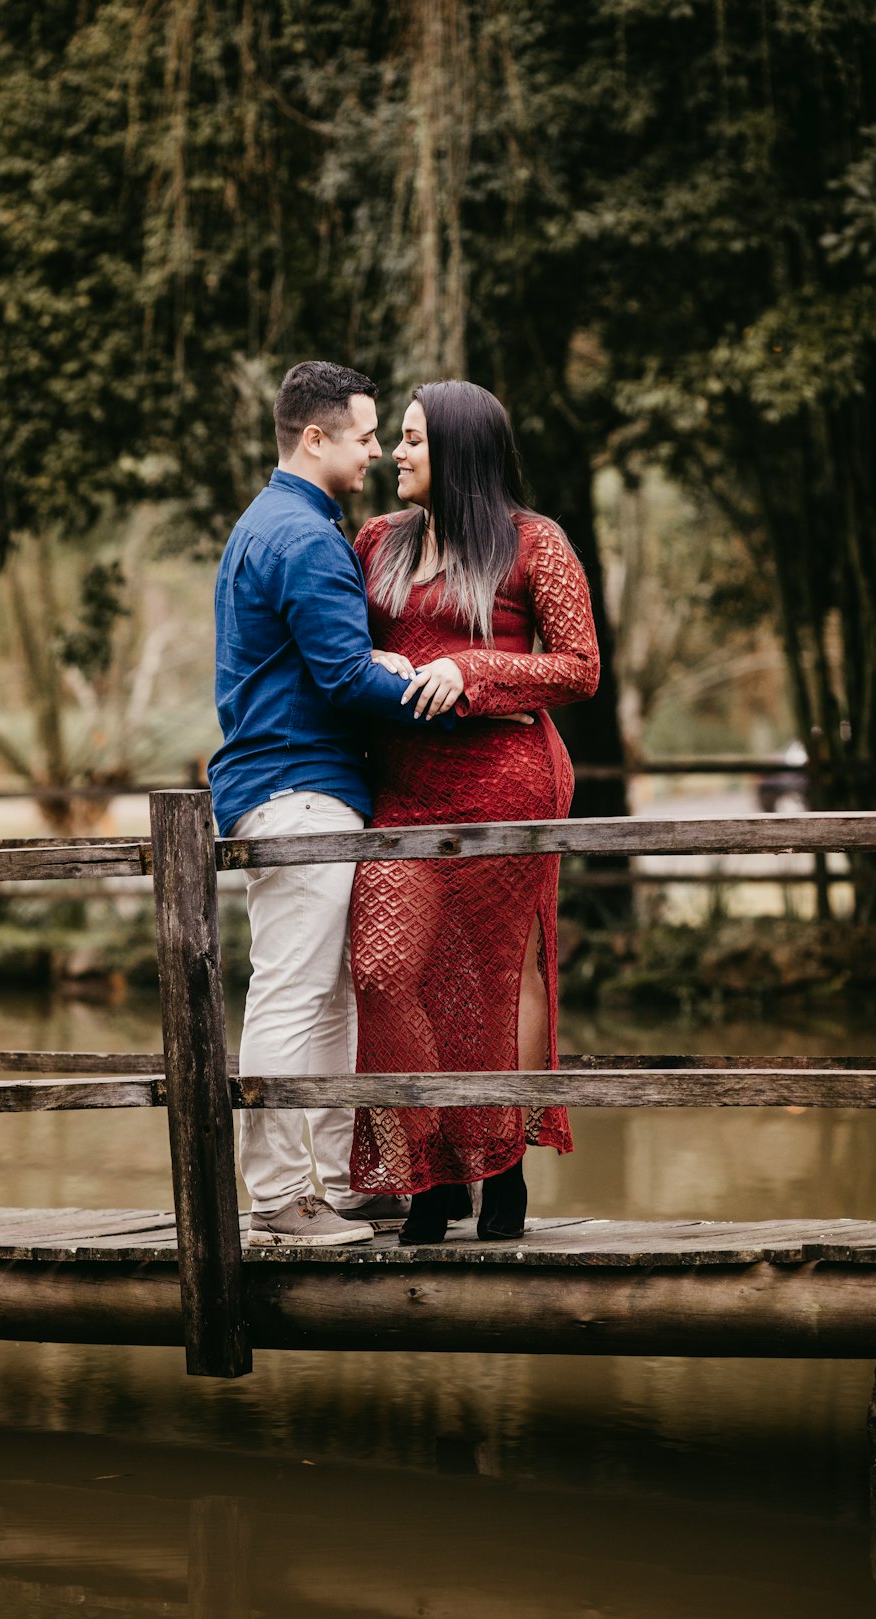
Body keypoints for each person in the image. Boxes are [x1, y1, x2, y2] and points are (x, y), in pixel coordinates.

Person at [347, 381, 600, 1244]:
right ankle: (427, 1170)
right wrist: (367, 654)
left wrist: (476, 670)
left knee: (494, 979)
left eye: (413, 440)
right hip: (403, 786)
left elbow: (580, 667)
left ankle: (499, 1171)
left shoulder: (537, 543)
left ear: (458, 450)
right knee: (385, 973)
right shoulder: (377, 541)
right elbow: (336, 642)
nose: (398, 454)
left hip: (508, 777)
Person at [208, 360, 453, 1248]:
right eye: (364, 433)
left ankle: (346, 1180)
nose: (378, 448)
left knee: (334, 995)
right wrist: (454, 692)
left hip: (299, 788)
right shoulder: (307, 538)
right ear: (315, 438)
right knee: (292, 991)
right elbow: (345, 679)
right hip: (298, 790)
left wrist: (378, 669)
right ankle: (277, 1196)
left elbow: (325, 665)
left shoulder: (268, 524)